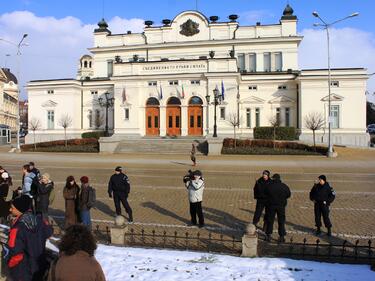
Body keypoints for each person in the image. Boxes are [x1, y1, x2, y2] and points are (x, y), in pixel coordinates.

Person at [4, 195, 53, 281]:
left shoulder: (17, 228)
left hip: (22, 271)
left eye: (12, 208)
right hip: (39, 266)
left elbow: (15, 253)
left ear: (20, 209)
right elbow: (49, 232)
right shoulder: (38, 220)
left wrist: (10, 265)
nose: (10, 210)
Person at [265, 174, 291, 242]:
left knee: (270, 221)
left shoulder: (269, 186)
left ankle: (268, 235)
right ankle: (281, 236)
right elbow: (288, 194)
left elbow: (265, 194)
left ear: (273, 179)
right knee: (281, 221)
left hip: (271, 206)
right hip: (281, 206)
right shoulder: (284, 186)